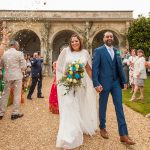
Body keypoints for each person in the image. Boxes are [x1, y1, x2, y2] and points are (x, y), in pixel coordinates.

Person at [92, 31, 135, 145]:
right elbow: (95, 68)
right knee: (103, 106)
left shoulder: (116, 51)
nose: (109, 38)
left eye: (111, 36)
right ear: (104, 38)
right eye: (107, 36)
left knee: (119, 107)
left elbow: (119, 67)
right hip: (103, 84)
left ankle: (123, 134)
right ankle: (102, 127)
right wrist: (96, 83)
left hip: (116, 83)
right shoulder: (98, 51)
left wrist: (124, 81)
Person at [56, 34, 97, 149]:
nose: (74, 43)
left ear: (80, 41)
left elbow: (88, 69)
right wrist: (63, 77)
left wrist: (95, 83)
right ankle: (68, 136)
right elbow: (59, 66)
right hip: (67, 83)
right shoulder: (65, 51)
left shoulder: (85, 53)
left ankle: (80, 126)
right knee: (69, 106)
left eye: (76, 41)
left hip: (81, 84)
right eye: (72, 41)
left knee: (80, 105)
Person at [0, 40, 26, 120]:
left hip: (7, 76)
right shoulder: (19, 53)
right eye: (17, 45)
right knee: (17, 94)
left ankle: (1, 113)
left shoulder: (4, 53)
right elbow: (24, 66)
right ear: (15, 45)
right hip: (17, 76)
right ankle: (15, 113)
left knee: (5, 94)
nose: (18, 47)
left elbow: (1, 65)